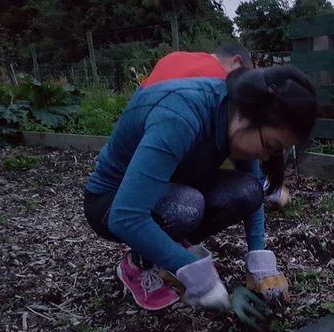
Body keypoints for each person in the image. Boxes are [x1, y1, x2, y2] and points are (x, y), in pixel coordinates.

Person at [83, 65, 317, 312]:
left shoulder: (236, 112)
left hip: (172, 189)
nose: (265, 155)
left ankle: (166, 250)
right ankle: (140, 263)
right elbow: (125, 215)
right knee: (187, 205)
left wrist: (259, 260)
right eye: (268, 145)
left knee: (247, 191)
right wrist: (194, 273)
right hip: (110, 202)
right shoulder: (179, 115)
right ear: (244, 115)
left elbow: (255, 188)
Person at [142, 44, 291, 208]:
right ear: (236, 62)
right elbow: (242, 149)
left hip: (143, 165)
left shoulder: (171, 59)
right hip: (173, 177)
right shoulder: (219, 84)